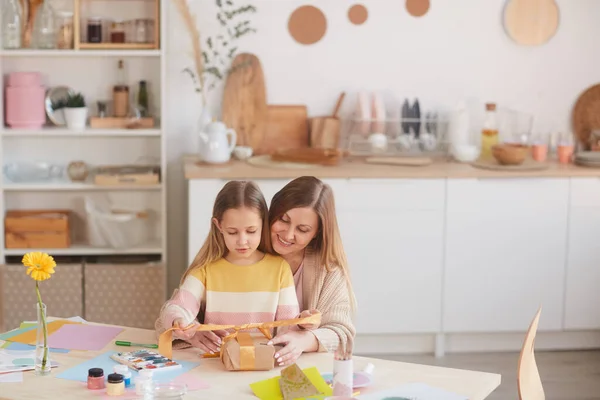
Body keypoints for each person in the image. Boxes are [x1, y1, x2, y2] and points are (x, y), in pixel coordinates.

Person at [154, 180, 302, 354]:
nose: (242, 240)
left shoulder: (279, 269)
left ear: (264, 223)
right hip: (216, 363)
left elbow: (289, 326)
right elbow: (177, 307)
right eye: (232, 232)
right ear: (219, 226)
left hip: (262, 364)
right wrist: (179, 321)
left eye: (251, 231)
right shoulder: (205, 270)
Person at [266, 176, 356, 366]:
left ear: (316, 234)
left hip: (301, 366)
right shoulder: (245, 249)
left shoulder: (328, 267)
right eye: (283, 219)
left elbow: (342, 334)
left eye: (302, 229)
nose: (288, 235)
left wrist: (304, 340)